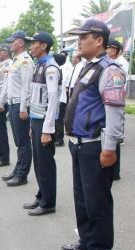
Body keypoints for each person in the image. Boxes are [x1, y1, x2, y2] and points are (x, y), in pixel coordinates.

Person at [62, 19, 125, 250]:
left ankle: (98, 246)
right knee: (83, 201)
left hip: (95, 145)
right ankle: (86, 242)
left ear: (99, 41)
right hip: (79, 144)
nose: (79, 40)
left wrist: (109, 148)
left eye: (84, 36)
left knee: (97, 204)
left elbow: (115, 113)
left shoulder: (110, 70)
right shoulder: (89, 66)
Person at [23, 32, 61, 216]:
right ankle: (41, 195)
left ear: (44, 45)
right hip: (37, 121)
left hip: (45, 122)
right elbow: (36, 97)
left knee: (45, 164)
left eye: (34, 43)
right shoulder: (40, 65)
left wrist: (47, 129)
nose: (31, 46)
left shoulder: (51, 68)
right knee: (38, 163)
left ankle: (48, 203)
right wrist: (32, 125)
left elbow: (53, 98)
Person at [0, 31, 34, 187]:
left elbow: (27, 86)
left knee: (23, 141)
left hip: (20, 104)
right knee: (18, 141)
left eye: (13, 41)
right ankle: (18, 169)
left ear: (20, 43)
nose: (10, 44)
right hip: (13, 103)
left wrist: (23, 108)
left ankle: (22, 174)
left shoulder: (25, 61)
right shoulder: (16, 61)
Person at [106, 39, 127, 181]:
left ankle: (115, 171)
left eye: (106, 48)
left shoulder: (119, 64)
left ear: (113, 50)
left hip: (116, 102)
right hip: (113, 101)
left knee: (114, 139)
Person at [54, 50, 73, 147]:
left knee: (58, 119)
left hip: (60, 99)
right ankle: (57, 137)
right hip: (58, 98)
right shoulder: (59, 69)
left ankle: (59, 139)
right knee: (56, 119)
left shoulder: (62, 70)